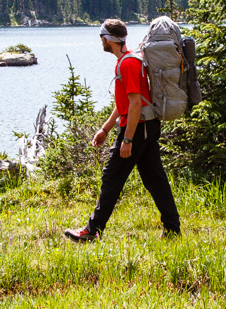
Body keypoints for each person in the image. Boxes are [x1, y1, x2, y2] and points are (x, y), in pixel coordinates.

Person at [64, 19, 182, 241]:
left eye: (102, 37)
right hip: (146, 126)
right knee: (155, 179)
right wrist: (105, 129)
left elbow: (136, 104)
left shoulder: (127, 64)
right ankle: (172, 229)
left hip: (138, 127)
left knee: (112, 176)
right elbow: (124, 104)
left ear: (108, 39)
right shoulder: (129, 60)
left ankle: (92, 230)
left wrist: (127, 139)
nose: (101, 41)